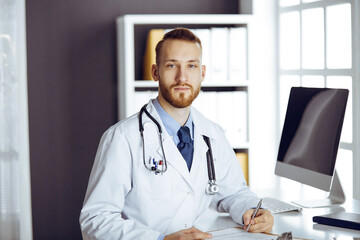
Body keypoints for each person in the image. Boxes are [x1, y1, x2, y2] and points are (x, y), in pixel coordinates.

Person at [80, 27, 274, 240]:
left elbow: (234, 192)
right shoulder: (122, 137)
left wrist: (253, 211)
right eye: (172, 65)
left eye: (191, 66)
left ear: (202, 73)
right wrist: (161, 239)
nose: (182, 77)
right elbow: (96, 220)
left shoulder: (213, 135)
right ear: (155, 72)